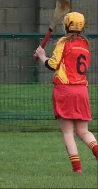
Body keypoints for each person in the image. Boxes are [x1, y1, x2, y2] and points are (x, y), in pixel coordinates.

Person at [35, 12, 98, 173]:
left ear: (66, 25)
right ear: (82, 27)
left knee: (68, 132)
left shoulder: (62, 42)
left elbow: (53, 65)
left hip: (65, 89)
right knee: (84, 131)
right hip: (82, 90)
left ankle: (77, 169)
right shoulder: (85, 43)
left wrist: (42, 56)